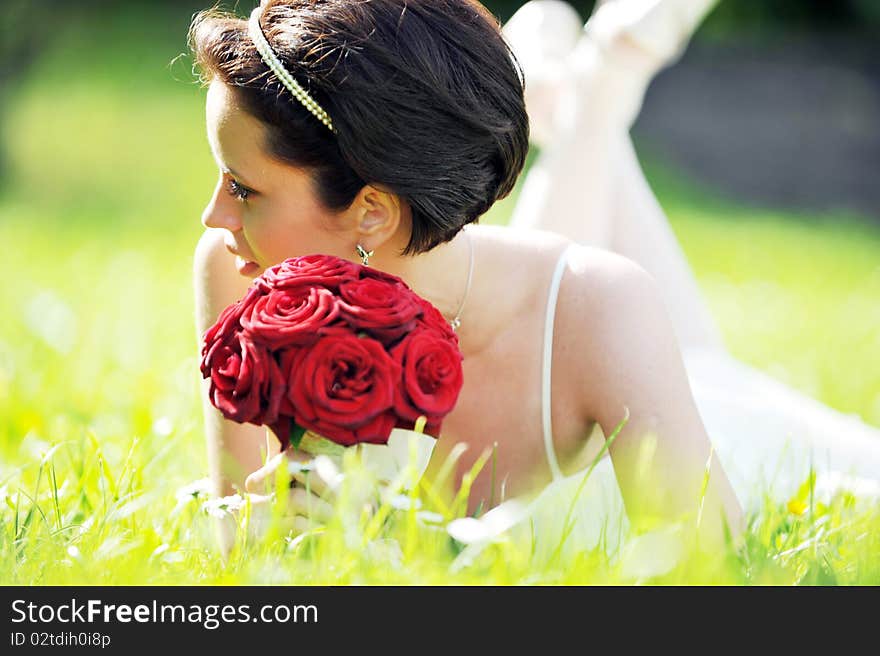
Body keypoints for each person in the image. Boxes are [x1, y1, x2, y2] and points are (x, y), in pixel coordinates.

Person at [186, 0, 872, 558]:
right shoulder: (234, 268)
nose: (213, 214)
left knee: (589, 298)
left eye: (244, 189)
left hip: (718, 423)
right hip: (571, 337)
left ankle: (598, 96)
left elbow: (710, 570)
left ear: (371, 210)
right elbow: (242, 559)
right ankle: (597, 97)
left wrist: (415, 545)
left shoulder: (601, 309)